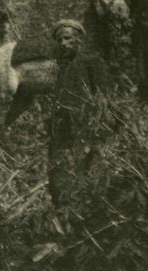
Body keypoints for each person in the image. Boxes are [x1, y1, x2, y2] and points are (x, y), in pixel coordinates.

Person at [47, 19, 110, 208]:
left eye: (67, 38)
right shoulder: (57, 66)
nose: (63, 44)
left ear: (79, 39)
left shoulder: (92, 61)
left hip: (85, 128)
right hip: (61, 128)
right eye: (59, 40)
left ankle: (80, 212)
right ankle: (63, 211)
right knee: (58, 172)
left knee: (84, 170)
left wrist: (94, 126)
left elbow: (102, 98)